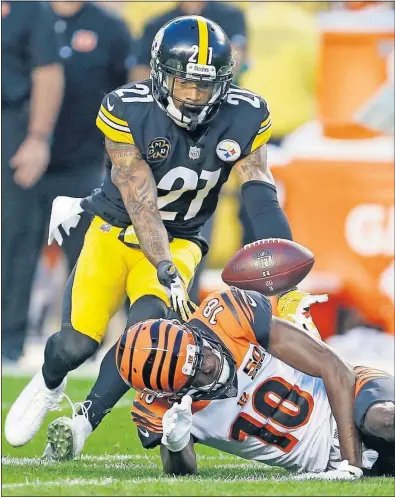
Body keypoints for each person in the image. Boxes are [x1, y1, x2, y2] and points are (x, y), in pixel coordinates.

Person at [5, 16, 294, 457]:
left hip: (182, 239)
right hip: (114, 233)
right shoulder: (128, 108)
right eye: (185, 84)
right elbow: (140, 203)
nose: (196, 96)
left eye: (206, 85)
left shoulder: (246, 113)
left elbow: (257, 184)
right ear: (160, 76)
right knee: (76, 344)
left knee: (147, 336)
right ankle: (49, 381)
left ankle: (83, 422)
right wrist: (162, 267)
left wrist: (279, 258)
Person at [117, 287, 395, 478]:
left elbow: (336, 368)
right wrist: (176, 444)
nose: (210, 364)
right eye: (197, 373)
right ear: (172, 390)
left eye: (201, 353)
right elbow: (182, 472)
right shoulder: (159, 408)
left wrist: (349, 465)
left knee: (383, 420)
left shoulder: (227, 316)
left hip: (353, 397)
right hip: (324, 462)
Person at [1, 0, 64, 363]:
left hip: (9, 124)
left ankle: (7, 340)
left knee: (14, 235)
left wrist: (38, 137)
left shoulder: (30, 9)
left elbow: (48, 72)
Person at [131, 1, 248, 85]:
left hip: (220, 97)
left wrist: (201, 84)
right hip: (170, 101)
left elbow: (235, 58)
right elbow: (139, 73)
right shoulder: (155, 25)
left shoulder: (230, 16)